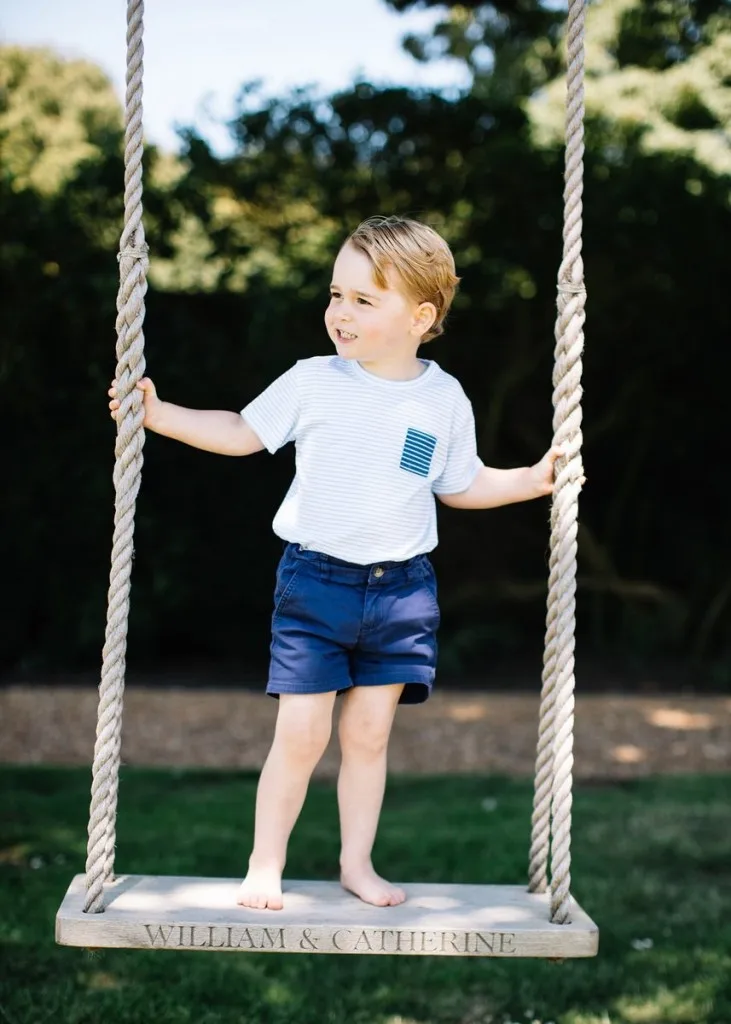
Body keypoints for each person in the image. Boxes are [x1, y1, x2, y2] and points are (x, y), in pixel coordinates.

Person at [108, 215, 563, 912]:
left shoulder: (440, 399)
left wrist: (530, 480)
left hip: (403, 592)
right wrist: (161, 415)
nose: (339, 313)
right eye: (334, 295)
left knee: (369, 733)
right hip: (315, 582)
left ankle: (357, 863)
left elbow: (458, 483)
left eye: (361, 299)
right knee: (302, 731)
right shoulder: (313, 381)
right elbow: (240, 431)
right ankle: (265, 863)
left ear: (420, 315)